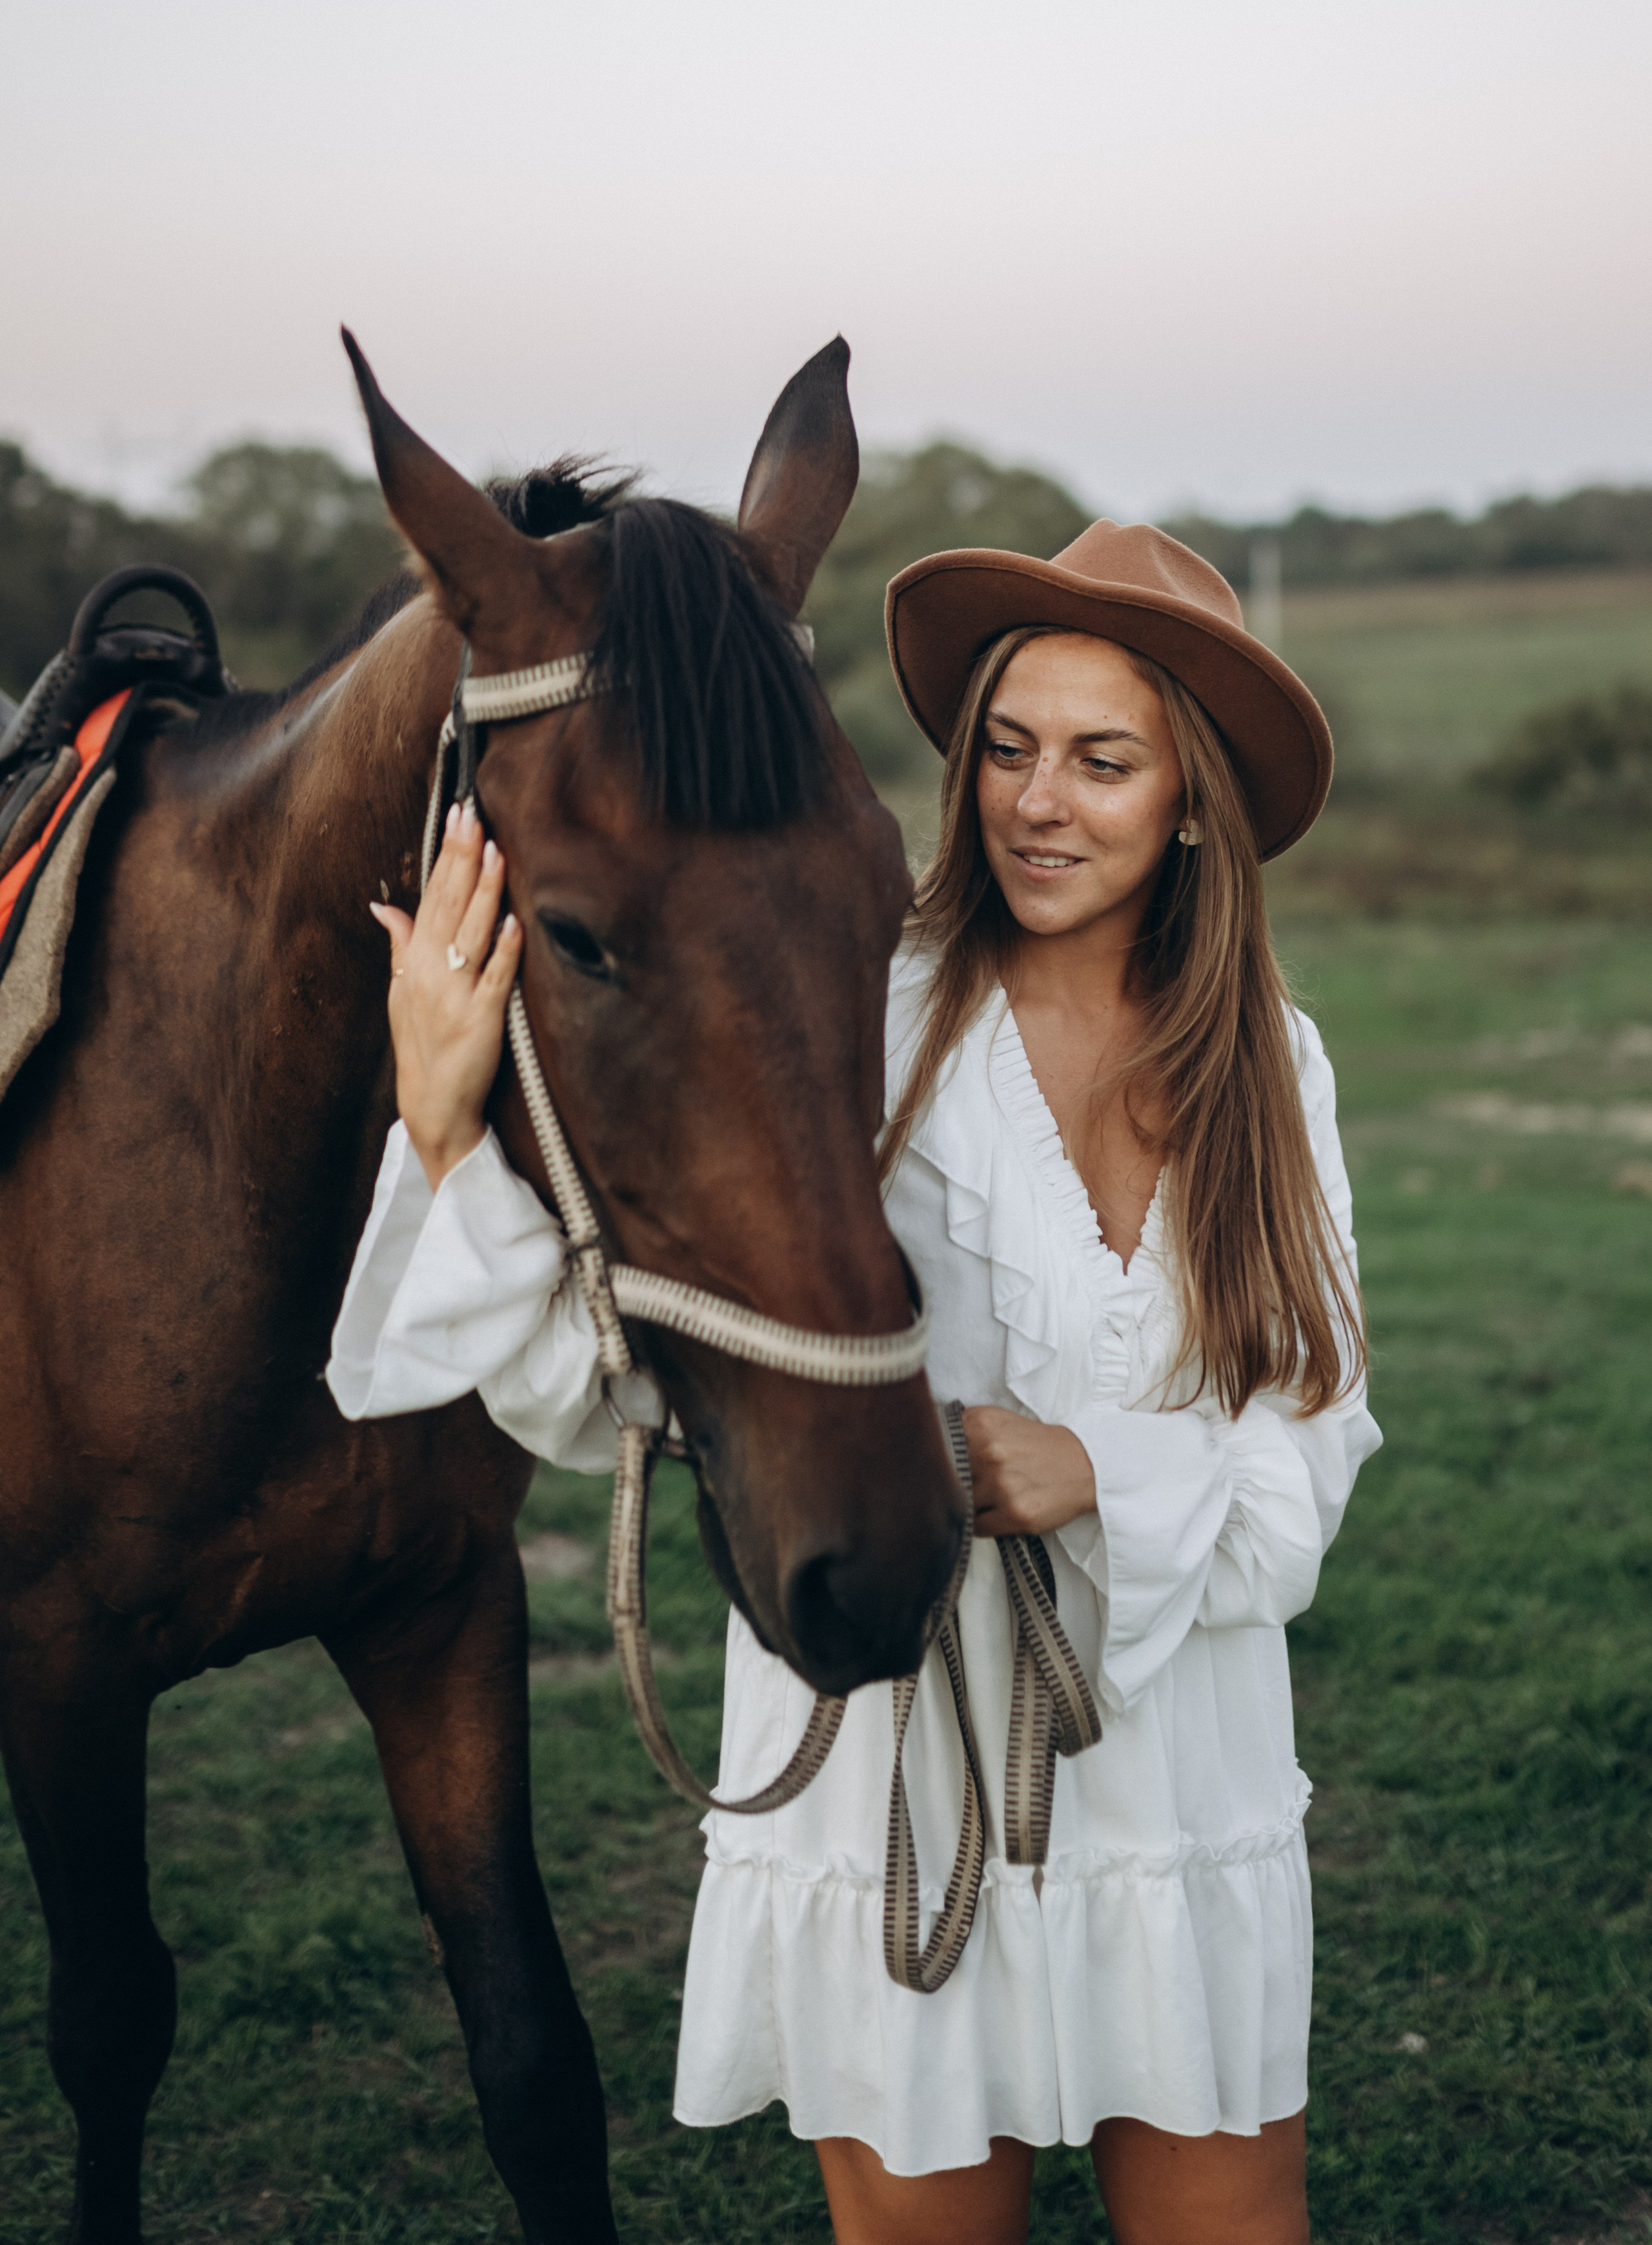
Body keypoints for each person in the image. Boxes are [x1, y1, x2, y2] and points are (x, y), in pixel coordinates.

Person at [328, 516, 1380, 2245]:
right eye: (1010, 754)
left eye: (1105, 763)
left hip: (1181, 1773)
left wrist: (1094, 1470)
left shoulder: (1275, 1065)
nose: (1041, 804)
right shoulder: (863, 1014)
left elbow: (1311, 1464)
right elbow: (618, 1400)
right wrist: (446, 1132)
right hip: (893, 1765)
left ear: (1192, 802)